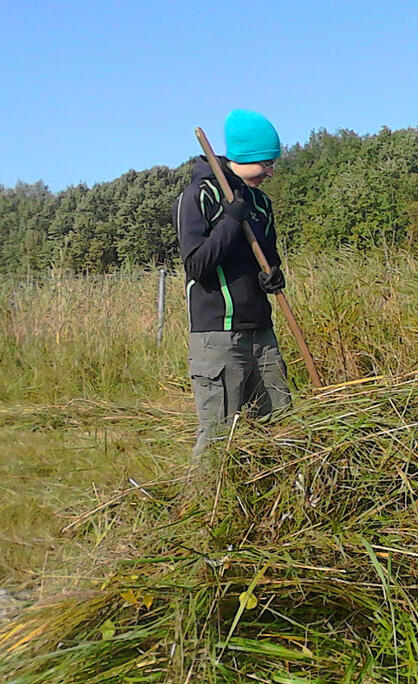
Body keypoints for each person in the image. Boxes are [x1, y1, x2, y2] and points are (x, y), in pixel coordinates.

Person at [173, 109, 291, 457]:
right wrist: (230, 219)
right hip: (218, 336)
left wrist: (272, 276)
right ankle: (200, 505)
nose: (270, 172)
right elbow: (197, 266)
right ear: (245, 157)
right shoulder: (198, 197)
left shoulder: (261, 203)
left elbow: (266, 258)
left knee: (280, 427)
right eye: (265, 163)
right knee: (219, 437)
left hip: (262, 334)